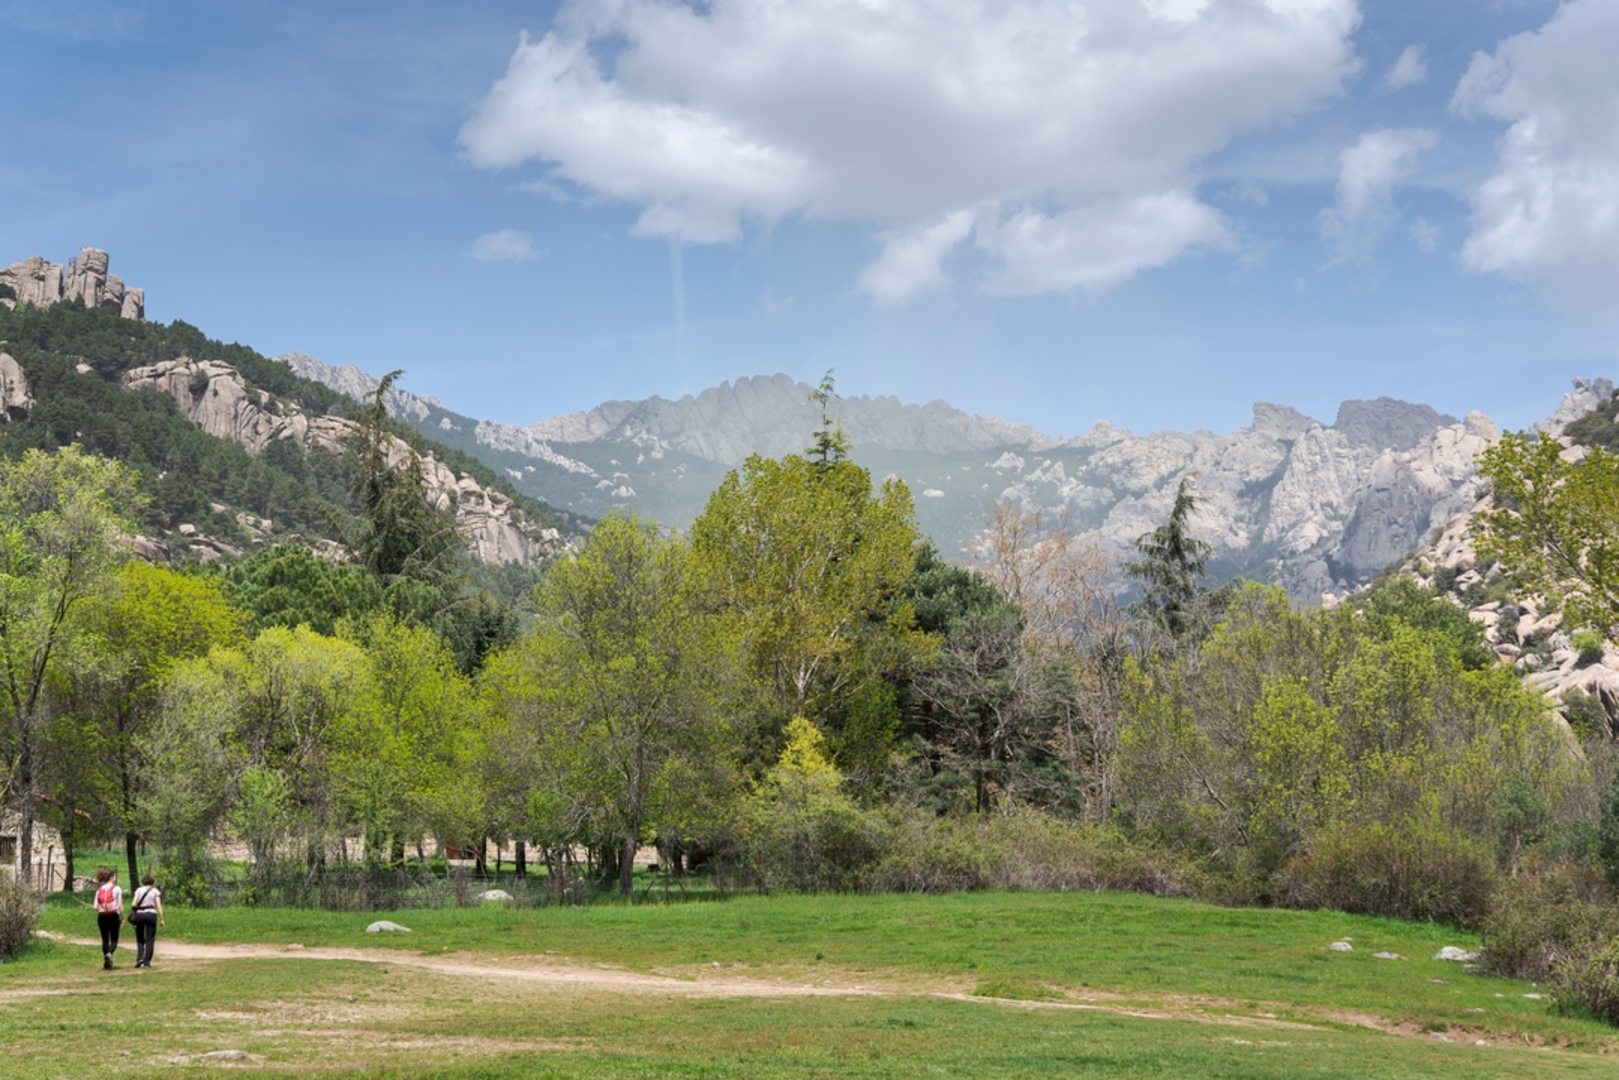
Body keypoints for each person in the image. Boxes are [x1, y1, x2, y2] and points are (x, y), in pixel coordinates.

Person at [128, 873, 166, 968]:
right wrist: (162, 919)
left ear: (143, 881)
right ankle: (147, 962)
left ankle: (139, 957)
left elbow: (133, 904)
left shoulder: (139, 890)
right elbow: (159, 906)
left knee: (140, 937)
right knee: (150, 938)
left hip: (140, 914)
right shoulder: (155, 891)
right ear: (152, 882)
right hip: (151, 914)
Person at [92, 868, 124, 970]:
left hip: (102, 917)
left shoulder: (99, 890)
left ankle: (106, 960)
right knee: (114, 939)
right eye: (114, 876)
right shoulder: (117, 889)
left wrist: (101, 908)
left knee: (105, 939)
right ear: (112, 877)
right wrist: (122, 917)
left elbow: (95, 907)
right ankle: (109, 954)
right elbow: (120, 905)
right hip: (113, 916)